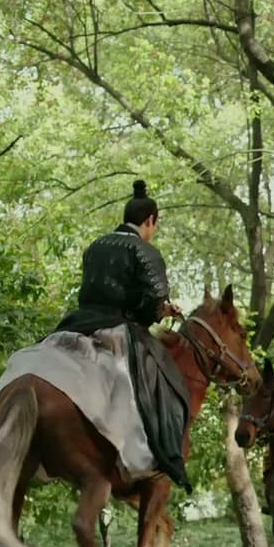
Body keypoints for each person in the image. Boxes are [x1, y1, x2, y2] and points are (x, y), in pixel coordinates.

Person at [53, 179, 191, 491]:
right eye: (156, 225)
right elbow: (153, 301)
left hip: (78, 322)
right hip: (119, 327)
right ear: (150, 220)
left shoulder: (95, 246)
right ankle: (168, 456)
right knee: (166, 380)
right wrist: (163, 311)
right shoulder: (146, 250)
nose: (155, 230)